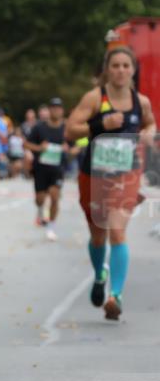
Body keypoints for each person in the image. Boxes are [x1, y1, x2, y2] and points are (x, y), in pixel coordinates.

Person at [66, 46, 155, 320]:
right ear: (107, 69)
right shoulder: (95, 98)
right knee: (97, 235)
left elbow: (149, 123)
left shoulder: (141, 102)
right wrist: (100, 124)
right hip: (93, 175)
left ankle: (115, 296)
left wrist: (149, 134)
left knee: (117, 231)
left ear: (133, 70)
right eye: (115, 65)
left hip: (126, 174)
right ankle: (100, 273)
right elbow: (71, 130)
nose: (120, 70)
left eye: (126, 66)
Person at [24, 97, 68, 241]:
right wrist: (39, 148)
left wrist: (70, 149)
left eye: (59, 108)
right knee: (40, 199)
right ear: (49, 110)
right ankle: (40, 210)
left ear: (62, 111)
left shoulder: (66, 128)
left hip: (58, 169)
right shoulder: (39, 127)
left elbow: (81, 142)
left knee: (55, 196)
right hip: (41, 168)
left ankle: (51, 227)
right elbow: (26, 144)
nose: (56, 110)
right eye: (53, 108)